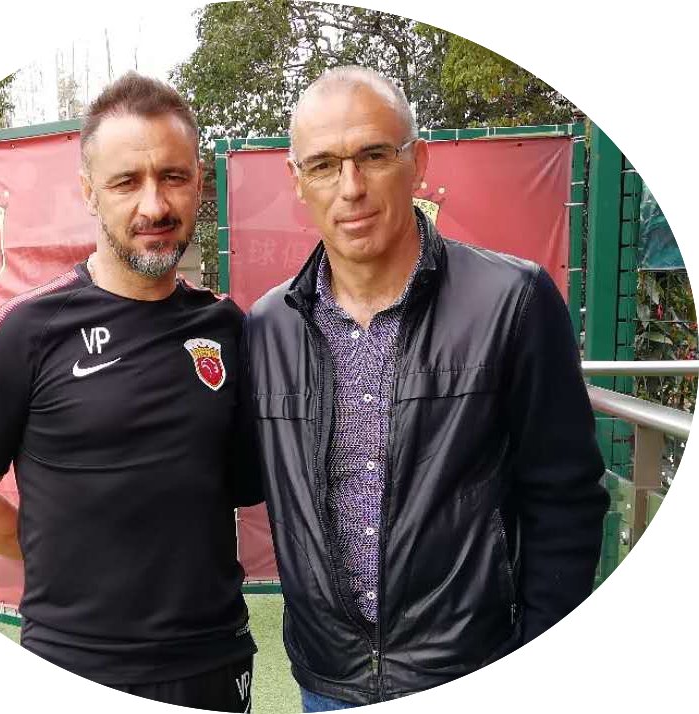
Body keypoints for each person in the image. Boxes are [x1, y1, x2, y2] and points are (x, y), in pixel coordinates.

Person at [243, 66, 609, 709]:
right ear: (297, 180)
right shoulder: (269, 327)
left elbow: (566, 498)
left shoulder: (513, 302)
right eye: (324, 165)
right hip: (326, 681)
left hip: (473, 668)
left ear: (418, 161)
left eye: (373, 155)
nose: (351, 187)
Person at [0, 71, 260, 712]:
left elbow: (240, 486)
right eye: (126, 182)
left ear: (199, 182)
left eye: (173, 177)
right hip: (76, 663)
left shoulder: (227, 328)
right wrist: (71, 564)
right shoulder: (26, 329)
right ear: (88, 192)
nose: (154, 206)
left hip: (212, 660)